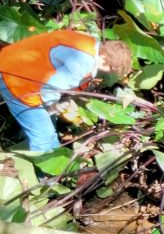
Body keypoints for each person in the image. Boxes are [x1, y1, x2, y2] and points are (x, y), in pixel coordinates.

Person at [0, 29, 133, 152]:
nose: (110, 72)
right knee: (44, 138)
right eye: (111, 68)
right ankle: (46, 177)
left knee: (48, 128)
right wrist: (52, 107)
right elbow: (51, 87)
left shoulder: (88, 43)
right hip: (18, 81)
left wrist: (63, 100)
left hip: (11, 65)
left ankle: (20, 147)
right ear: (104, 57)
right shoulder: (84, 61)